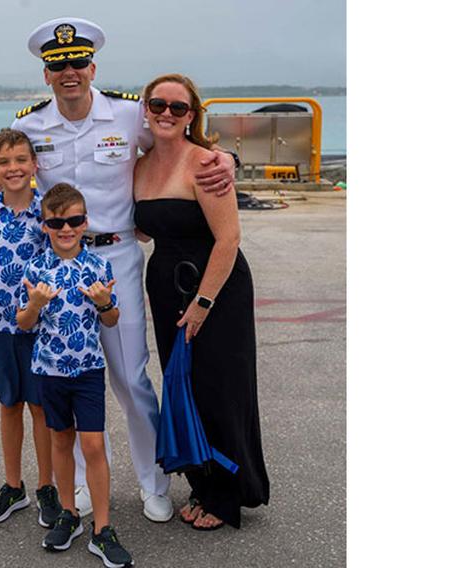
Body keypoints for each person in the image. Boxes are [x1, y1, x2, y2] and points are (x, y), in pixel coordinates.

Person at [0, 16, 238, 523]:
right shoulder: (30, 125)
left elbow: (177, 136)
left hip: (114, 258)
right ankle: (83, 486)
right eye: (58, 65)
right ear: (46, 75)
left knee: (130, 378)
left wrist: (223, 156)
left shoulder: (128, 114)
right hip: (54, 260)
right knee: (62, 372)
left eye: (77, 63)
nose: (69, 72)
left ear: (92, 67)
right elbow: (8, 173)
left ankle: (153, 482)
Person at [132, 74, 270, 530]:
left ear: (192, 115)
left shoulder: (207, 164)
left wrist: (204, 302)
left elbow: (229, 238)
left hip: (215, 287)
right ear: (146, 110)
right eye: (158, 105)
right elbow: (146, 229)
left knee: (219, 389)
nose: (166, 114)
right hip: (167, 286)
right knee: (183, 388)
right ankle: (202, 485)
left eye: (178, 108)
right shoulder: (140, 165)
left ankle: (228, 495)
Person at [16, 184, 133, 568]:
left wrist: (103, 304)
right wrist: (33, 304)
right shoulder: (35, 270)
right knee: (60, 441)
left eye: (75, 220)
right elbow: (24, 322)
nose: (67, 229)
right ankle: (68, 512)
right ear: (45, 224)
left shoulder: (98, 267)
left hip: (87, 369)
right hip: (49, 370)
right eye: (57, 222)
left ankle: (102, 528)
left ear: (85, 222)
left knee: (94, 445)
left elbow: (112, 320)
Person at [0, 129, 61, 528]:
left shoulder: (46, 214)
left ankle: (46, 486)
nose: (13, 168)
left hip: (37, 326)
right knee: (8, 404)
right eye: (4, 162)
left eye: (21, 160)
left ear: (34, 165)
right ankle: (12, 485)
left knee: (39, 407)